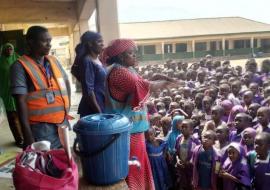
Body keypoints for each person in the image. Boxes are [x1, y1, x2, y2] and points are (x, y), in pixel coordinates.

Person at [103, 39, 178, 190]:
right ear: (120, 56)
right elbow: (141, 86)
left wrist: (156, 78)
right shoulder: (119, 72)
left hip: (132, 129)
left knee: (137, 166)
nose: (135, 56)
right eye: (130, 53)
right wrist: (163, 83)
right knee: (133, 168)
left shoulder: (126, 69)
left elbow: (141, 84)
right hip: (127, 132)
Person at [10, 26, 71, 149]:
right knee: (45, 164)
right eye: (44, 41)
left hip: (61, 124)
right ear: (30, 42)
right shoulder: (20, 66)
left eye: (50, 41)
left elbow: (65, 83)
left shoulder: (53, 61)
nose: (49, 45)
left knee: (62, 162)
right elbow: (20, 102)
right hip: (41, 129)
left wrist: (66, 112)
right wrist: (28, 136)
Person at [71, 31, 106, 117]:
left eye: (102, 42)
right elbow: (88, 90)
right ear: (90, 44)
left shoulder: (97, 60)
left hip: (100, 101)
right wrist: (98, 112)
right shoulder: (87, 61)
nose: (102, 44)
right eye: (99, 41)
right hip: (93, 106)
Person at [0, 43, 24, 147]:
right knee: (12, 118)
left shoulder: (18, 59)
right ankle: (18, 139)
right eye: (7, 48)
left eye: (11, 48)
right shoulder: (0, 62)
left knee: (22, 115)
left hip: (19, 92)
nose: (9, 49)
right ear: (3, 50)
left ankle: (26, 137)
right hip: (6, 93)